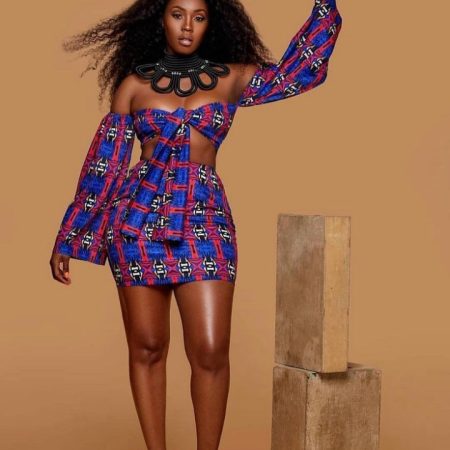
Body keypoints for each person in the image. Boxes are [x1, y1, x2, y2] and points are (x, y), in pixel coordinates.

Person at [50, 0, 342, 448]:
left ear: (213, 22)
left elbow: (302, 70)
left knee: (210, 349)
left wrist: (325, 6)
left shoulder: (232, 78)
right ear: (159, 18)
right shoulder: (132, 86)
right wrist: (70, 236)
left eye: (199, 16)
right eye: (177, 14)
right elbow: (104, 167)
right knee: (147, 347)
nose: (187, 26)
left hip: (204, 216)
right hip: (137, 223)